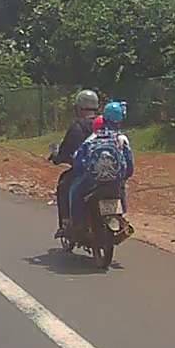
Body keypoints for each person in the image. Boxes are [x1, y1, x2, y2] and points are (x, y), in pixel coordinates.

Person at [67, 101, 134, 230]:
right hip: (115, 182)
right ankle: (122, 219)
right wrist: (124, 177)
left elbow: (78, 160)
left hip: (91, 181)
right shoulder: (121, 138)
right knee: (121, 190)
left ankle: (77, 224)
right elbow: (129, 164)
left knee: (74, 192)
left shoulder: (93, 137)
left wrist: (81, 171)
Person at [53, 89, 100, 238]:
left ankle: (66, 222)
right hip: (107, 173)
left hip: (83, 172)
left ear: (79, 107)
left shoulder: (77, 127)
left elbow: (65, 151)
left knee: (64, 186)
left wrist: (57, 157)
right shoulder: (104, 124)